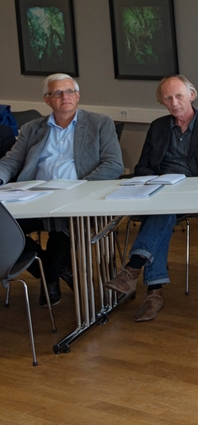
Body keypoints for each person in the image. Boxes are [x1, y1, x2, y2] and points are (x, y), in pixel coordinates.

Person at [102, 76, 198, 321]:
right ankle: (152, 292)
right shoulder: (158, 127)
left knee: (162, 212)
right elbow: (143, 165)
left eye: (179, 96)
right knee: (163, 211)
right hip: (160, 189)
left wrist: (190, 184)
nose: (174, 103)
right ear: (161, 101)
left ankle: (136, 272)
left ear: (192, 95)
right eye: (168, 98)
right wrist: (152, 179)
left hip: (196, 191)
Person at [0, 74, 123, 306]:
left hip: (79, 197)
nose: (64, 97)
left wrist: (81, 186)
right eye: (57, 93)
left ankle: (50, 281)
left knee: (61, 227)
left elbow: (113, 164)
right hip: (36, 196)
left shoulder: (100, 123)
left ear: (78, 96)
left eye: (69, 91)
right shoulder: (31, 128)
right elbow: (11, 161)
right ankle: (54, 271)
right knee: (3, 224)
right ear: (47, 100)